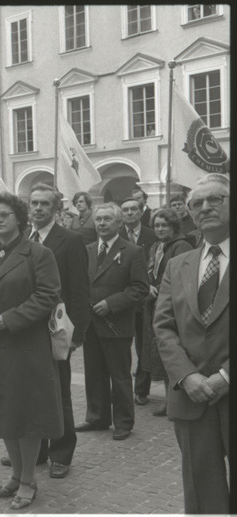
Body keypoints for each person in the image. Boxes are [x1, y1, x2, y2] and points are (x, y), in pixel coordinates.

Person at [0, 193, 62, 510]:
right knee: (3, 412)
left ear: (19, 218)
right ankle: (16, 475)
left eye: (4, 214)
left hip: (25, 347)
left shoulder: (38, 253)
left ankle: (28, 481)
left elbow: (48, 295)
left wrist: (11, 319)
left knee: (27, 414)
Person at [154, 173, 229, 514]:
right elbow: (164, 327)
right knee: (201, 488)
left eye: (216, 199)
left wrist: (225, 376)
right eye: (196, 203)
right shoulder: (177, 264)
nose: (205, 207)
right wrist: (187, 376)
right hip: (191, 396)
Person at [22, 183, 91, 479]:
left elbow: (79, 291)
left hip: (57, 328)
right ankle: (35, 450)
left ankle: (61, 453)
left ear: (56, 209)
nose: (38, 208)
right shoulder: (23, 239)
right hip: (26, 329)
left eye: (44, 204)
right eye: (34, 203)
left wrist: (76, 334)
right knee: (32, 391)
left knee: (59, 392)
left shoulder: (70, 240)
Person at [76, 203, 149, 440]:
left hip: (116, 324)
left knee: (119, 375)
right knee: (94, 373)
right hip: (91, 324)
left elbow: (140, 288)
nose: (102, 223)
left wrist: (112, 303)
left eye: (108, 219)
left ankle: (124, 421)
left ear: (119, 223)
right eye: (98, 220)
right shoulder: (86, 250)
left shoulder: (132, 251)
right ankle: (97, 417)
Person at [141, 208, 193, 417]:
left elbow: (180, 276)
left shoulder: (181, 246)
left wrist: (159, 288)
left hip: (174, 306)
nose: (160, 229)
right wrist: (147, 285)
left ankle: (175, 400)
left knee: (172, 350)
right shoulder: (156, 246)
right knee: (160, 352)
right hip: (156, 304)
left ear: (174, 226)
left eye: (165, 225)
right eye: (157, 226)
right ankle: (168, 399)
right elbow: (149, 270)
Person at [119, 197, 157, 406]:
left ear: (142, 212)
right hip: (123, 299)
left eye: (134, 209)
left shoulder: (152, 235)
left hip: (145, 300)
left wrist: (149, 284)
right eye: (126, 210)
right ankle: (121, 389)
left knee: (144, 346)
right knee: (121, 348)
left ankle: (141, 390)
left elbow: (155, 263)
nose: (130, 213)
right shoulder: (116, 235)